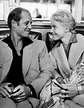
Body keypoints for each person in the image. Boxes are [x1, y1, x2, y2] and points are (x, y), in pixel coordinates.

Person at [0, 7, 61, 108]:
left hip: (29, 97)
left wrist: (30, 89)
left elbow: (48, 71)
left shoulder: (39, 46)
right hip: (4, 96)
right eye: (26, 23)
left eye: (31, 23)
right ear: (14, 23)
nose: (30, 27)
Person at [40, 10, 84, 108]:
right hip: (67, 90)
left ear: (67, 28)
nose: (51, 31)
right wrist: (59, 79)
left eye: (54, 26)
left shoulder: (82, 42)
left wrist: (78, 89)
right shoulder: (55, 50)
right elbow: (51, 68)